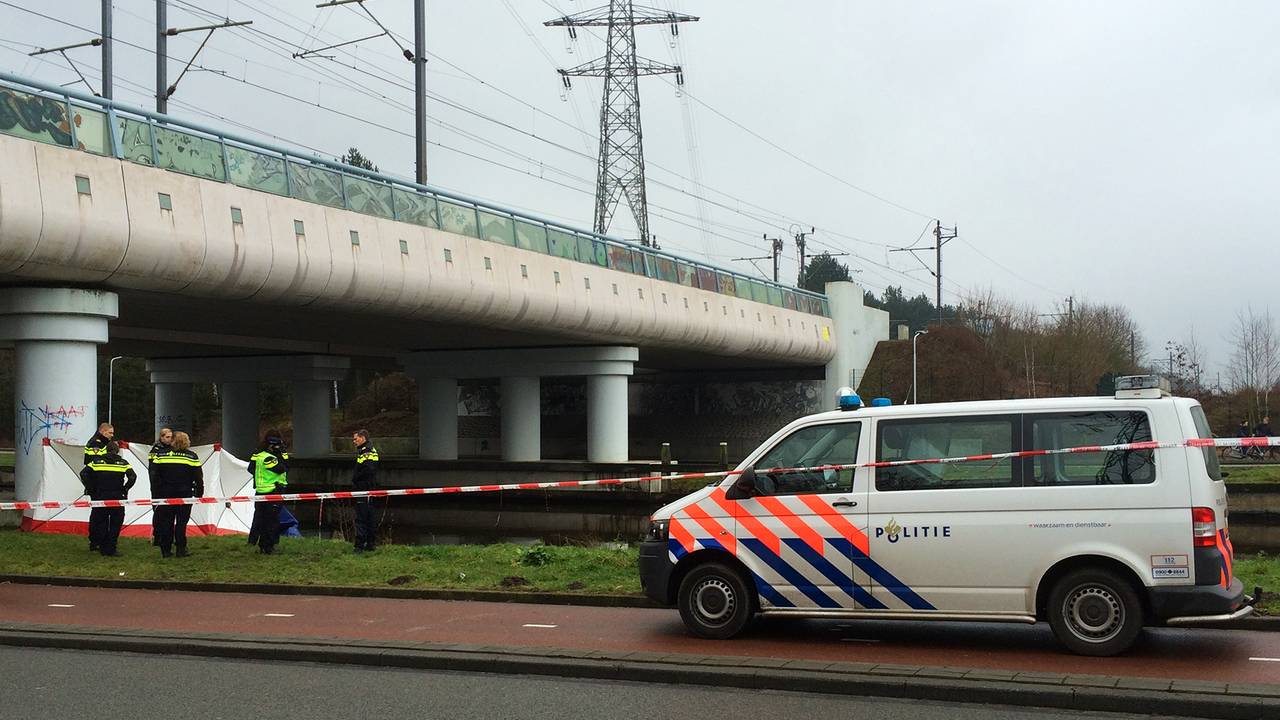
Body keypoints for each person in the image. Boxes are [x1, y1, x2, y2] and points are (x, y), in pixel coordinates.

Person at [150, 431, 203, 558]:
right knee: (181, 523)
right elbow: (198, 477)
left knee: (166, 522)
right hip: (184, 494)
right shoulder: (191, 456)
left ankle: (166, 550)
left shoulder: (160, 455)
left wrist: (156, 492)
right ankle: (181, 549)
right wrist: (199, 492)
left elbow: (154, 475)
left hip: (165, 494)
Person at [79, 440, 135, 557]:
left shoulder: (97, 461)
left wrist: (91, 488)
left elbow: (84, 473)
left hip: (100, 496)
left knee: (101, 522)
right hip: (117, 497)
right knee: (116, 523)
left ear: (105, 450)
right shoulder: (123, 462)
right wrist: (125, 489)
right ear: (117, 451)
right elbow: (133, 477)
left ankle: (102, 546)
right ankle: (111, 548)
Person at [248, 430, 289, 555]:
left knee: (261, 519)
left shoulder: (258, 453)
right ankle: (268, 546)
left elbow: (251, 468)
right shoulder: (270, 457)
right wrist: (280, 452)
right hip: (273, 490)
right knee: (272, 521)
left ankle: (259, 543)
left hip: (260, 490)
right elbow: (284, 467)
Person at [82, 423, 115, 552]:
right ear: (102, 431)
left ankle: (98, 539)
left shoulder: (103, 442)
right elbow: (95, 464)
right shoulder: (96, 444)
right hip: (97, 483)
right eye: (110, 433)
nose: (112, 435)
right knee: (98, 514)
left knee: (99, 513)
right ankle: (96, 540)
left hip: (99, 483)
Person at [351, 429, 380, 554]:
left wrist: (356, 480)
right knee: (369, 517)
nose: (354, 441)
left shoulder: (366, 451)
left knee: (361, 518)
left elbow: (368, 470)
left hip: (364, 489)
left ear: (363, 438)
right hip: (369, 488)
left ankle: (359, 546)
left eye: (355, 438)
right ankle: (371, 543)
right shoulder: (369, 450)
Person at [148, 428, 173, 547]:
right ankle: (157, 536)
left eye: (171, 437)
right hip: (158, 486)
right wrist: (156, 485)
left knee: (168, 513)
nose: (170, 439)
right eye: (167, 437)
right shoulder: (155, 450)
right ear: (161, 437)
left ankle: (166, 536)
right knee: (158, 512)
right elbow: (152, 471)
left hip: (168, 485)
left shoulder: (172, 449)